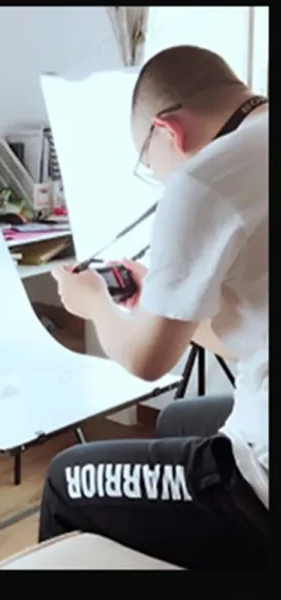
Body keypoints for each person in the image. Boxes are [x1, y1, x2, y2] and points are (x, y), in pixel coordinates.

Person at [43, 45, 269, 569]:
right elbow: (251, 332)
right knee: (178, 421)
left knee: (64, 477)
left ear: (168, 131)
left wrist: (95, 304)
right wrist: (169, 307)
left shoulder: (204, 180)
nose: (161, 177)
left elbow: (146, 362)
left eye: (150, 164)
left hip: (263, 479)